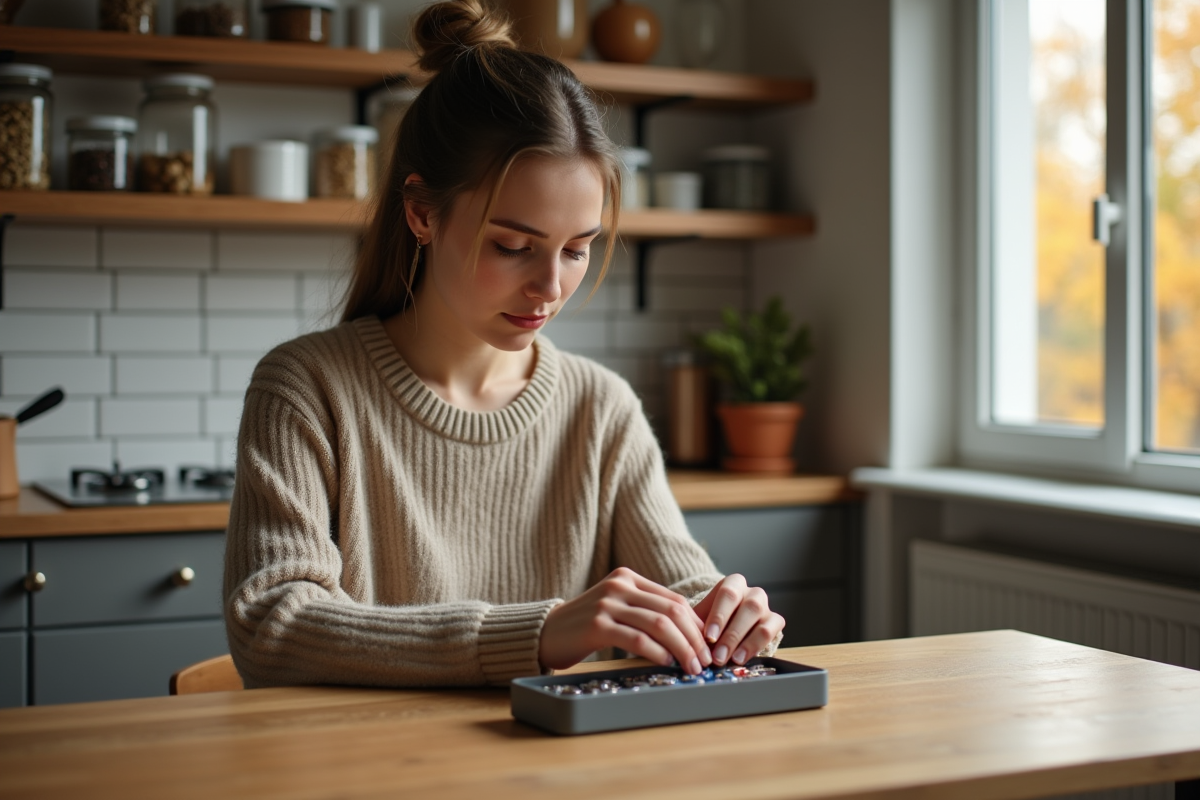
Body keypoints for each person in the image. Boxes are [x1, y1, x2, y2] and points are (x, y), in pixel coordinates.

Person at [223, 0, 784, 689]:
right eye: (513, 246)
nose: (550, 286)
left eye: (578, 249)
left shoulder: (602, 408)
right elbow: (271, 623)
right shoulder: (306, 388)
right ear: (422, 213)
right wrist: (537, 634)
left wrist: (719, 612)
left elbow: (679, 579)